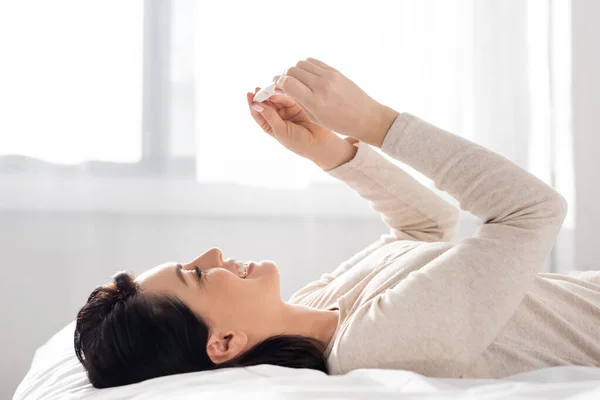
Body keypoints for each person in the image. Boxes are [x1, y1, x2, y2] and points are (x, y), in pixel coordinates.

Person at [74, 58, 600, 389]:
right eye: (200, 275)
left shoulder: (320, 301)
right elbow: (533, 212)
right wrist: (377, 123)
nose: (213, 254)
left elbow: (425, 229)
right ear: (225, 342)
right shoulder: (371, 349)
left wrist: (329, 150)